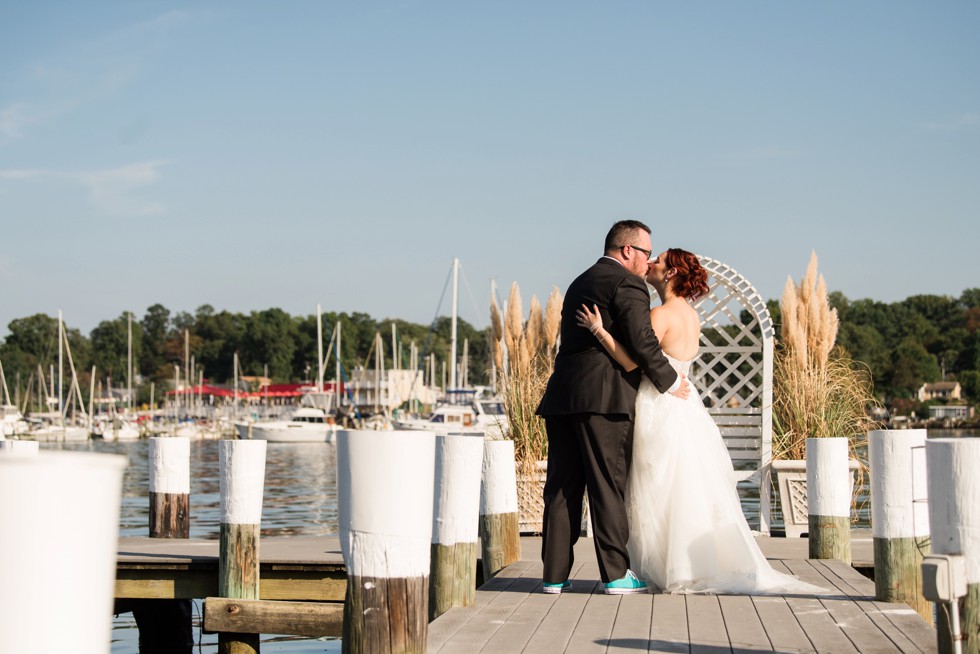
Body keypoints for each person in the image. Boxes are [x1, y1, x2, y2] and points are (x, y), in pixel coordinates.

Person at [576, 248, 827, 594]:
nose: (650, 264)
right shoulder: (691, 315)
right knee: (686, 484)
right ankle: (688, 563)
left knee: (658, 486)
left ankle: (667, 567)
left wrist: (599, 331)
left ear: (670, 273)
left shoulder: (661, 314)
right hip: (688, 406)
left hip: (660, 406)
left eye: (658, 261)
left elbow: (634, 363)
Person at [536, 221, 690, 595]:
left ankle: (554, 576)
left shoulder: (580, 281)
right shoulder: (627, 284)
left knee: (561, 488)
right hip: (604, 399)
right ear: (626, 250)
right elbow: (641, 341)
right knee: (607, 486)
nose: (648, 260)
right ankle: (616, 575)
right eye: (645, 252)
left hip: (562, 397)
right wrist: (670, 381)